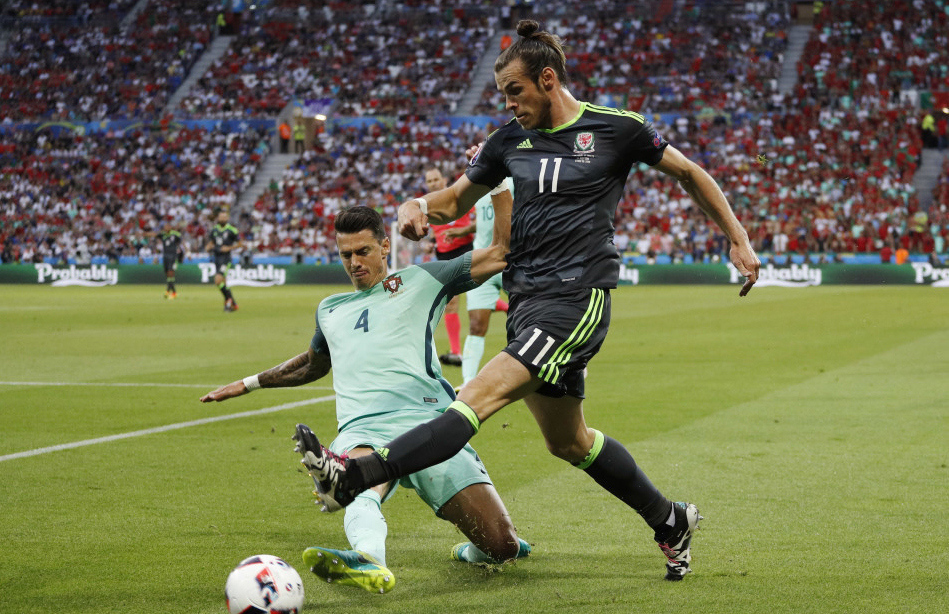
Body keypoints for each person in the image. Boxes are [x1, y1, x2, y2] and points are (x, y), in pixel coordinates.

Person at [297, 20, 760, 582]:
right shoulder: (507, 141)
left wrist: (737, 237)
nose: (509, 104)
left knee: (471, 399)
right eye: (503, 95)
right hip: (527, 304)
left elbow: (689, 173)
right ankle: (671, 519)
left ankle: (356, 475)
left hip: (577, 299)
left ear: (547, 79)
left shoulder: (617, 128)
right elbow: (453, 200)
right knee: (569, 442)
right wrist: (415, 204)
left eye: (514, 91)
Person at [201, 204, 529, 594]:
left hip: (431, 427)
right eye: (346, 255)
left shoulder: (423, 279)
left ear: (385, 246)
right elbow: (312, 365)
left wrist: (498, 184)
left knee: (502, 546)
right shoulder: (330, 309)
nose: (354, 263)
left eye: (363, 251)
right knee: (351, 482)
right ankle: (369, 559)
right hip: (364, 429)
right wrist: (249, 383)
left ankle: (473, 549)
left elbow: (499, 253)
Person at [442, 179, 513, 384]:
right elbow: (486, 219)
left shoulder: (514, 180)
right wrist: (464, 230)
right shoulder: (479, 184)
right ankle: (468, 384)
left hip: (514, 260)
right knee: (476, 325)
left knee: (530, 318)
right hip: (484, 261)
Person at [424, 167, 475, 367]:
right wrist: (431, 243)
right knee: (452, 303)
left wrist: (462, 232)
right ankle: (455, 352)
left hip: (466, 249)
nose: (433, 183)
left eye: (436, 179)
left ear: (444, 180)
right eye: (430, 181)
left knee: (479, 295)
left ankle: (507, 308)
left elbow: (478, 220)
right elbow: (433, 232)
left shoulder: (459, 195)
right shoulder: (427, 205)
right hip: (444, 256)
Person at [204, 209, 241, 312]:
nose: (223, 219)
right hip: (217, 258)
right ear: (218, 218)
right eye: (221, 217)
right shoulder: (214, 230)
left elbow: (240, 244)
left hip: (226, 258)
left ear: (227, 218)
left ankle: (230, 302)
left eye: (224, 217)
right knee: (223, 283)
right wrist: (208, 246)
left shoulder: (232, 230)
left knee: (217, 280)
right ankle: (231, 304)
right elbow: (212, 242)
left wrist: (229, 248)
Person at [158, 221, 183, 299]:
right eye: (165, 226)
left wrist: (187, 252)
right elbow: (154, 234)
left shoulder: (175, 234)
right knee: (167, 274)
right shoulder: (163, 235)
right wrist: (145, 234)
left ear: (170, 227)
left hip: (173, 256)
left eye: (167, 226)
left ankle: (171, 292)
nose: (166, 228)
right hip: (165, 256)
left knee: (170, 273)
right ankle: (171, 291)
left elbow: (182, 242)